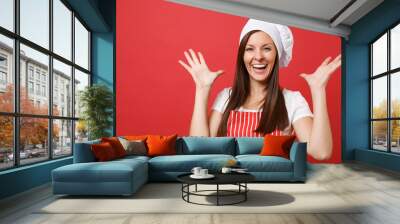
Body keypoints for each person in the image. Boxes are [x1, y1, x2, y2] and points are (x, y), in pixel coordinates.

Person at [178, 19, 341, 160]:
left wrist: (318, 90)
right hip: (232, 185)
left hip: (274, 185)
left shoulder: (292, 100)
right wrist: (202, 90)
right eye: (250, 49)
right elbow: (199, 147)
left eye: (267, 48)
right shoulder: (225, 97)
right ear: (242, 56)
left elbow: (321, 152)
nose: (258, 56)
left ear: (277, 55)